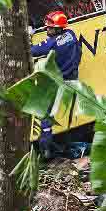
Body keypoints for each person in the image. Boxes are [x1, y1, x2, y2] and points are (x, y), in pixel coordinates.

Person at [31, 11, 82, 156]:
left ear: (58, 28)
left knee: (44, 111)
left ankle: (45, 146)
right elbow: (78, 53)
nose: (47, 30)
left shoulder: (51, 43)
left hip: (58, 81)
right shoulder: (71, 34)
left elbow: (33, 50)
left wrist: (28, 35)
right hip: (72, 77)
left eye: (50, 28)